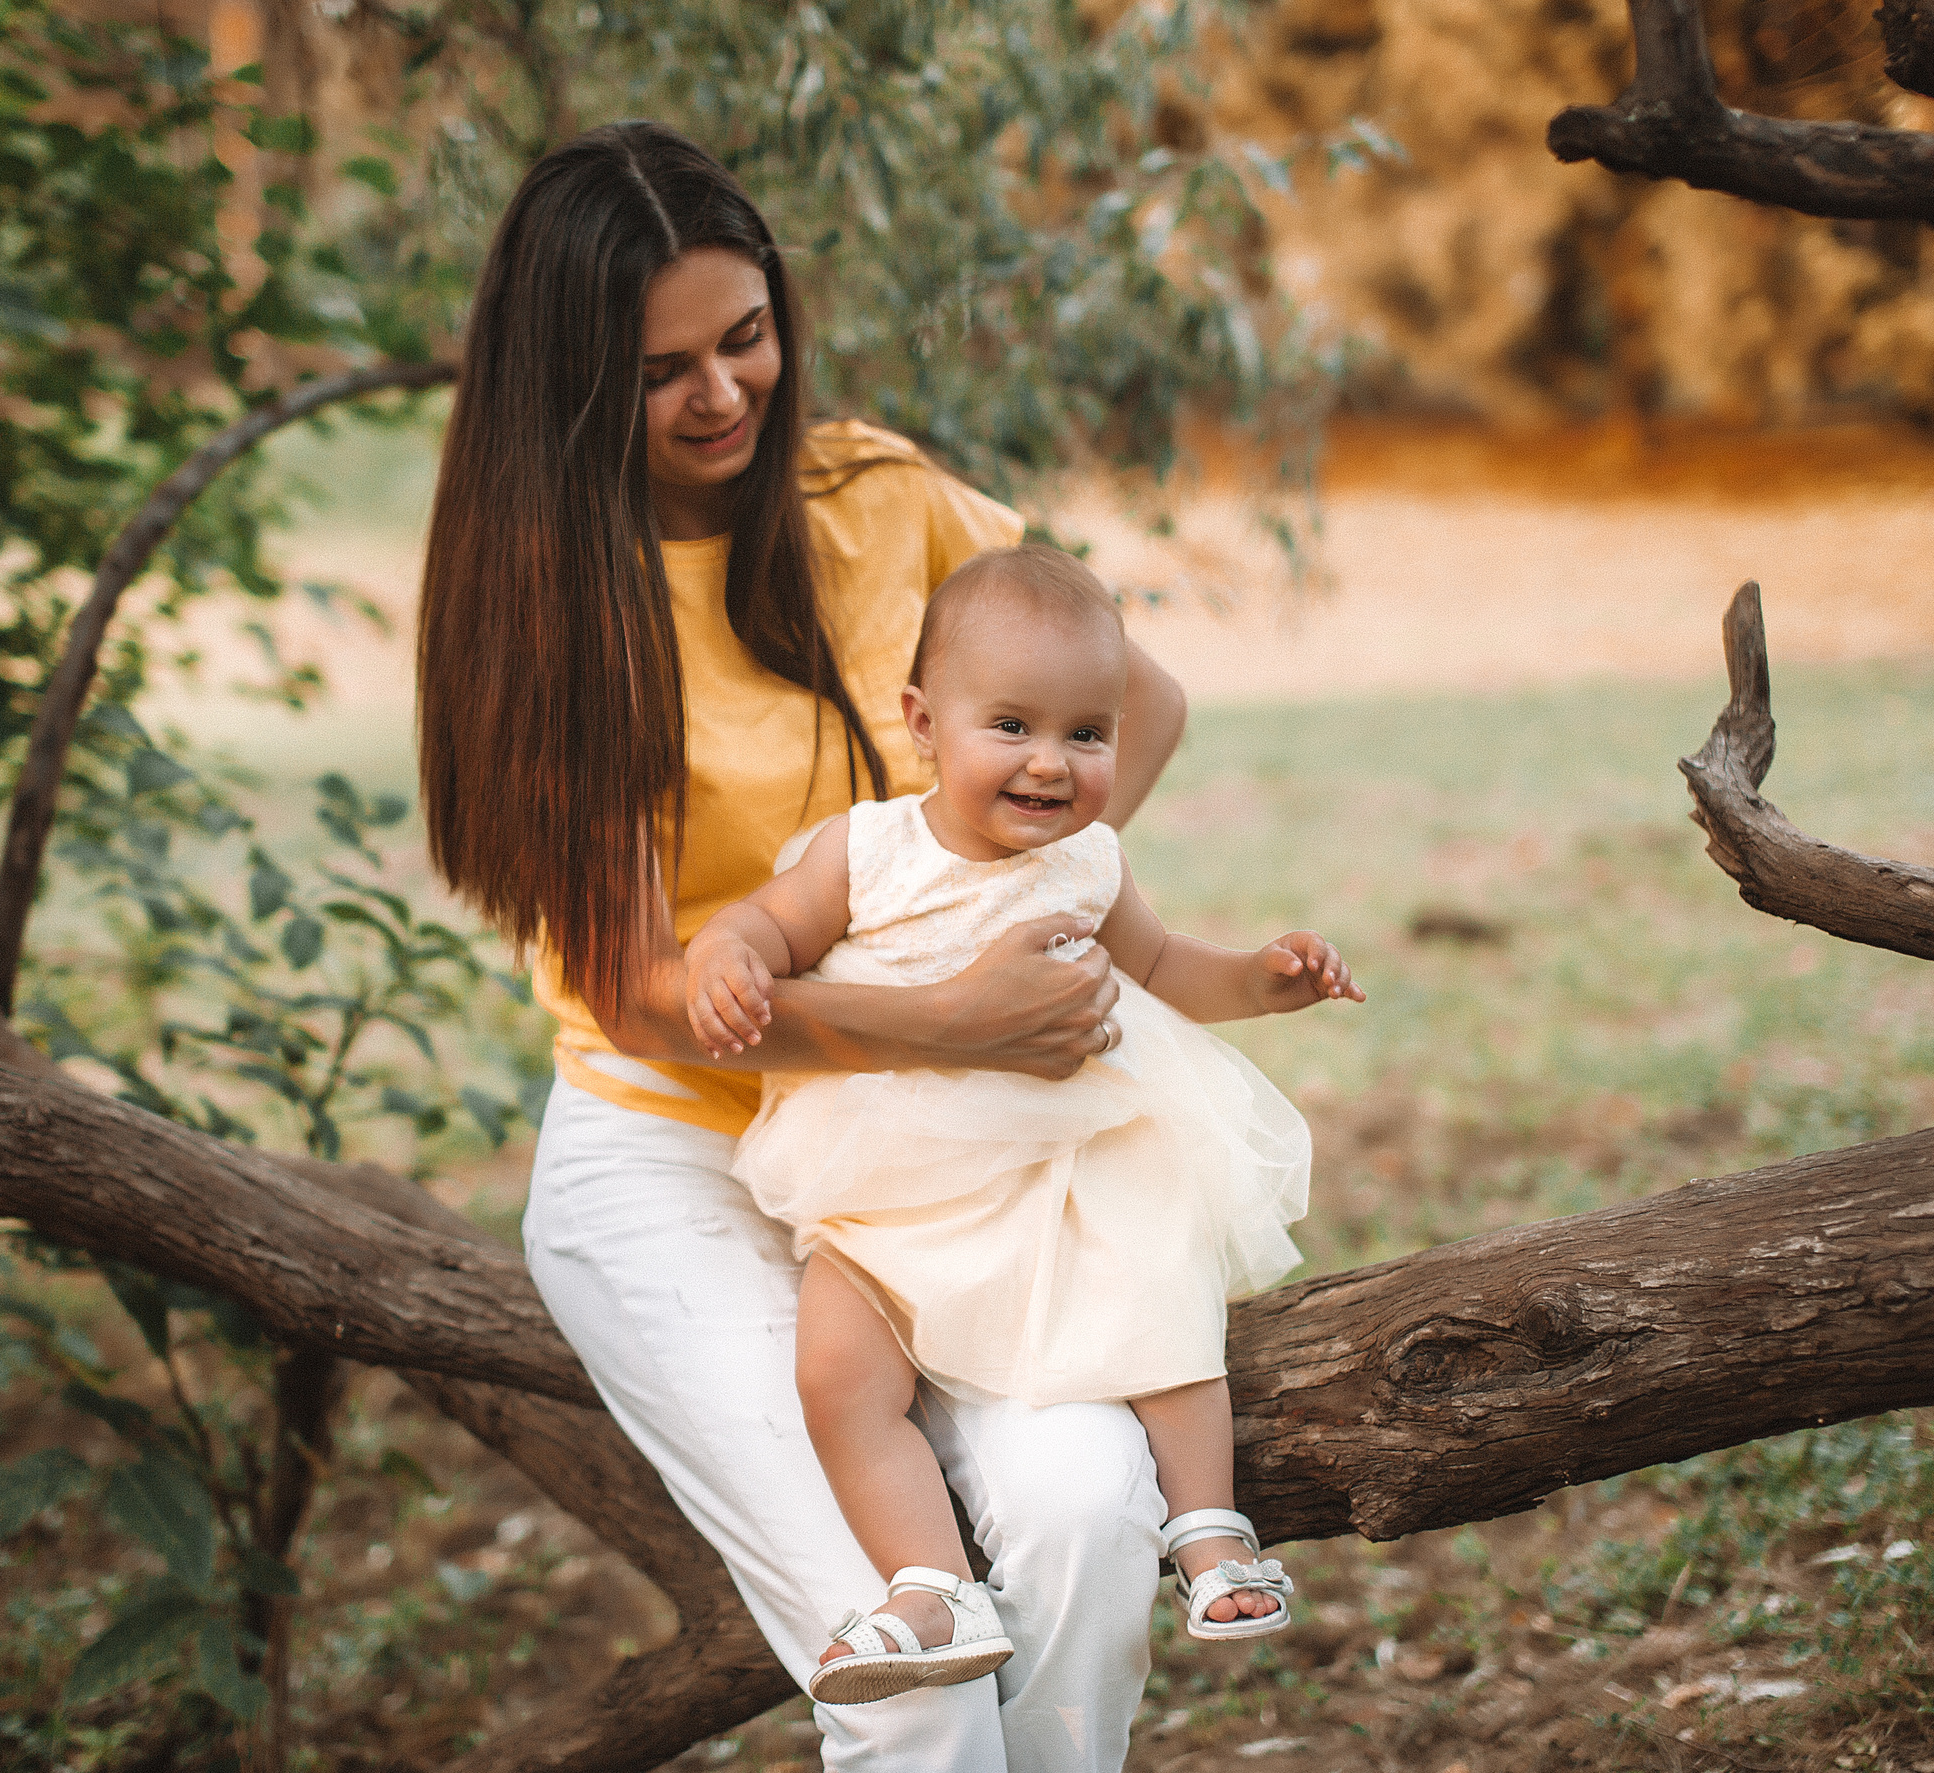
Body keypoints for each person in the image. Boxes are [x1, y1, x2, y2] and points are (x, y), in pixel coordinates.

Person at [417, 121, 1191, 1770]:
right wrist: (955, 1015)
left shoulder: (878, 498)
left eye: (747, 336)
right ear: (570, 385)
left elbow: (1149, 699)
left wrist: (1032, 902)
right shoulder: (555, 602)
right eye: (660, 372)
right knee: (909, 1660)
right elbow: (649, 997)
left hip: (933, 1154)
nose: (723, 394)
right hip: (677, 1155)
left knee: (1085, 1516)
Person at [681, 546, 1362, 1705]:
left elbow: (1166, 969)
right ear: (923, 723)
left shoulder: (1088, 862)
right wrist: (726, 954)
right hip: (890, 1179)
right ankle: (930, 1587)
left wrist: (1263, 977)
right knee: (835, 1370)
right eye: (1010, 725)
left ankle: (1209, 1529)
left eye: (1085, 733)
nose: (1050, 761)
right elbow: (766, 924)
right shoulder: (868, 851)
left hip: (1062, 1167)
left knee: (1159, 1298)